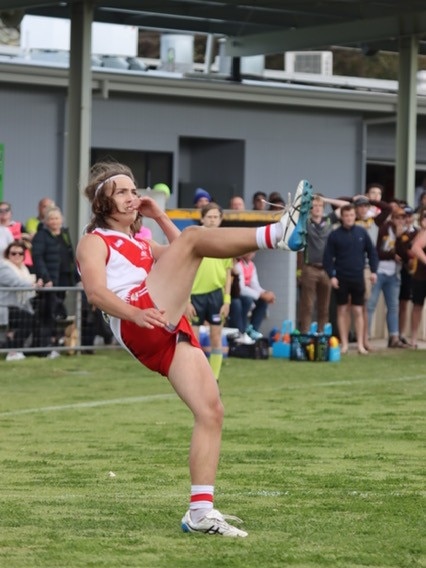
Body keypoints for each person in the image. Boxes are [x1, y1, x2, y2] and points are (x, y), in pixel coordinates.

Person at [76, 161, 314, 538]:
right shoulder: (94, 240)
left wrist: (160, 215)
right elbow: (96, 293)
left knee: (211, 410)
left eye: (133, 189)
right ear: (102, 202)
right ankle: (278, 235)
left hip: (164, 325)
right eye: (121, 191)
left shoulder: (140, 239)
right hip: (138, 317)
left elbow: (185, 253)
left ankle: (200, 513)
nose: (132, 195)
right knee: (193, 239)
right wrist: (135, 314)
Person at [323, 204, 378, 355]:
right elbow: (327, 258)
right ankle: (345, 344)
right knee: (342, 309)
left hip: (358, 276)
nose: (349, 218)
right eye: (346, 216)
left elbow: (372, 253)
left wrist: (374, 271)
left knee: (358, 310)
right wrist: (332, 276)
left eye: (351, 215)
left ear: (355, 216)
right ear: (342, 217)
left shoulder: (362, 232)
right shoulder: (334, 235)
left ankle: (360, 344)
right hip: (341, 277)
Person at [186, 203, 232, 382]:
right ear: (202, 219)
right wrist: (187, 300)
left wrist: (227, 300)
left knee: (216, 337)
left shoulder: (226, 242)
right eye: (209, 217)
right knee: (194, 340)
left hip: (216, 296)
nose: (212, 220)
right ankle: (198, 376)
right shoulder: (195, 241)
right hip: (195, 295)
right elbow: (186, 272)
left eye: (216, 217)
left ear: (220, 219)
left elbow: (228, 274)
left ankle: (214, 378)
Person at [298, 194, 348, 334]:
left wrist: (325, 199)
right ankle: (305, 335)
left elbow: (346, 206)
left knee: (324, 306)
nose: (318, 208)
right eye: (314, 206)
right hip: (310, 267)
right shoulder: (305, 222)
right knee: (307, 305)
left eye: (320, 206)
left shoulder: (329, 220)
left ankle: (321, 336)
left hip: (327, 268)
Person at [31, 206, 77, 355]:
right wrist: (46, 278)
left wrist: (78, 278)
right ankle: (43, 349)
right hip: (49, 282)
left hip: (64, 280)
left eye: (57, 218)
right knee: (46, 314)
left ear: (61, 219)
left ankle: (53, 344)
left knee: (57, 313)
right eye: (51, 218)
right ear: (45, 221)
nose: (54, 221)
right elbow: (38, 259)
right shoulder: (41, 236)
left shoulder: (64, 234)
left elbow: (71, 258)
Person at [367, 206, 408, 349]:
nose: (400, 220)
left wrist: (399, 237)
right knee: (371, 304)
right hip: (380, 270)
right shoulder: (384, 228)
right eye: (397, 217)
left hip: (394, 274)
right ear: (393, 218)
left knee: (393, 306)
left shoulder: (403, 234)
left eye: (402, 218)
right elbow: (379, 252)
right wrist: (392, 255)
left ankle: (394, 337)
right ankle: (365, 336)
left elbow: (404, 255)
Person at [0, 240, 43, 361]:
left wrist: (35, 283)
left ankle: (14, 347)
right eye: (13, 253)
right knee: (28, 320)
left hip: (17, 306)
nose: (17, 256)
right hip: (4, 306)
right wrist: (33, 284)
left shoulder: (23, 269)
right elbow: (16, 283)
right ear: (8, 254)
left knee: (31, 320)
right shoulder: (3, 267)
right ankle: (12, 351)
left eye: (20, 253)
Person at [228, 251, 276, 341]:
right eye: (249, 250)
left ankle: (252, 330)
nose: (251, 253)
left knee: (263, 302)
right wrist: (261, 295)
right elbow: (241, 289)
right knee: (247, 300)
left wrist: (265, 293)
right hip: (237, 294)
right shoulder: (238, 264)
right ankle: (241, 331)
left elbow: (255, 285)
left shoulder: (251, 266)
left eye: (253, 251)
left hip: (247, 295)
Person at [402, 208, 426, 347]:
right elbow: (414, 249)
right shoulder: (418, 233)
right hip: (419, 275)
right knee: (417, 306)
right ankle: (414, 338)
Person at [0, 201, 33, 268]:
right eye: (0, 211)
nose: (4, 213)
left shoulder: (18, 225)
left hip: (22, 261)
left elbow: (29, 243)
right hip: (4, 262)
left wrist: (24, 238)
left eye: (6, 210)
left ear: (11, 213)